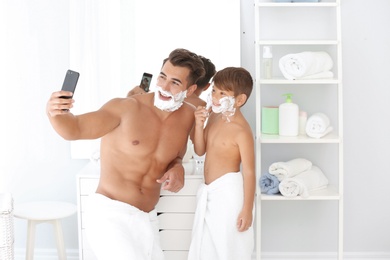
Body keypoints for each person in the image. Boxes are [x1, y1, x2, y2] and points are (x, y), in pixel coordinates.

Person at [46, 48, 205, 260]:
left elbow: (176, 154)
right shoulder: (125, 108)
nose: (164, 87)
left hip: (146, 219)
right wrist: (55, 112)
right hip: (110, 215)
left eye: (175, 82)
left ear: (191, 89)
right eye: (162, 77)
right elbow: (74, 129)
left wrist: (177, 167)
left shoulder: (187, 117)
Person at [188, 67, 255, 260]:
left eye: (223, 93)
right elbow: (200, 150)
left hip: (228, 195)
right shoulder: (216, 117)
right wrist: (199, 126)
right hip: (210, 191)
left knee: (228, 246)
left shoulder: (241, 131)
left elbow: (249, 171)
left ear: (240, 100)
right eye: (214, 91)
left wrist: (247, 209)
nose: (216, 97)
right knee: (206, 247)